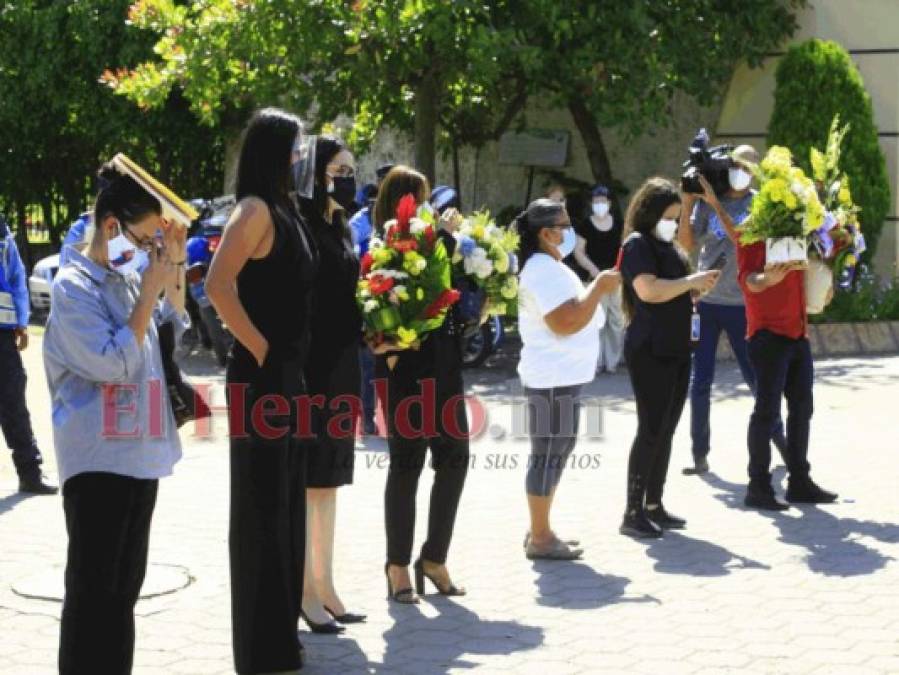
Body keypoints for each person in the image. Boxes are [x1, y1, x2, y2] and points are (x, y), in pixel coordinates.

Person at [43, 163, 186, 673]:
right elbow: (109, 364)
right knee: (91, 595)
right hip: (98, 459)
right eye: (145, 240)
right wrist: (149, 290)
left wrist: (174, 269)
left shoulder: (127, 277)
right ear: (110, 228)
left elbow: (171, 331)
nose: (150, 252)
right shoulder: (73, 286)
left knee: (123, 595)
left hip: (139, 454)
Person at [206, 108, 318, 674]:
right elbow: (216, 285)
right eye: (296, 148)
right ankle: (258, 648)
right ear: (275, 151)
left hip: (289, 378)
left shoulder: (285, 210)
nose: (302, 157)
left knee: (286, 508)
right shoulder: (251, 211)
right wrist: (261, 349)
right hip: (263, 380)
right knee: (259, 511)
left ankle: (281, 637)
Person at [373, 165, 469, 604]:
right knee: (407, 463)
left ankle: (433, 557)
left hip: (446, 364)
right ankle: (396, 565)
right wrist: (389, 351)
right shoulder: (384, 245)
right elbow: (372, 304)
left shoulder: (434, 243)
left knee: (455, 458)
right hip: (406, 366)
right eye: (421, 197)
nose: (428, 207)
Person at [516, 198, 620, 560]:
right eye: (562, 225)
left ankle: (539, 529)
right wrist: (599, 287)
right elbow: (565, 322)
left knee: (557, 449)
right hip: (551, 377)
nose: (568, 230)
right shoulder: (542, 269)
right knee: (548, 453)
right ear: (545, 233)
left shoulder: (549, 265)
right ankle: (541, 537)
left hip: (560, 376)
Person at [618, 177, 721, 538]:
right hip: (650, 350)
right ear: (649, 213)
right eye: (669, 217)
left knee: (666, 429)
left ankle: (653, 503)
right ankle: (632, 511)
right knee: (650, 428)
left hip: (677, 348)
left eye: (677, 218)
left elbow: (674, 289)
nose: (674, 225)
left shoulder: (670, 247)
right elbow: (648, 290)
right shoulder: (637, 245)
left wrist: (695, 290)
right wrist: (691, 282)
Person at [678, 146, 786, 475]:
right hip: (706, 304)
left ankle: (783, 445)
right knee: (700, 380)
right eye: (736, 165)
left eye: (748, 167)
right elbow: (686, 243)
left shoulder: (759, 204)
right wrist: (687, 204)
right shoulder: (712, 198)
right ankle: (699, 454)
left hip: (742, 305)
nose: (741, 172)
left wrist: (712, 203)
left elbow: (743, 239)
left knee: (756, 378)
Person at [296, 135, 365, 634]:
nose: (348, 176)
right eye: (340, 168)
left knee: (330, 482)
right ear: (317, 172)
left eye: (351, 168)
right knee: (308, 482)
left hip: (344, 364)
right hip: (310, 368)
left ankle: (327, 586)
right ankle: (303, 592)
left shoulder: (340, 226)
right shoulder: (300, 225)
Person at [737, 242, 837, 510]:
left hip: (797, 333)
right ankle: (757, 487)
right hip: (767, 334)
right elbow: (748, 280)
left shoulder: (798, 234)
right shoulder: (753, 233)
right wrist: (767, 278)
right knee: (766, 413)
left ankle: (799, 482)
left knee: (802, 409)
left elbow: (817, 262)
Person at [0, 214, 56, 494]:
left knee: (14, 405)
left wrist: (21, 322)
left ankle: (30, 474)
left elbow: (15, 276)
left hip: (2, 337)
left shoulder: (1, 231)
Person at [350, 162, 395, 435]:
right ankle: (367, 417)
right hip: (370, 299)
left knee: (395, 363)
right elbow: (353, 259)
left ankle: (394, 417)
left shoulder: (409, 218)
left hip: (399, 300)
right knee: (368, 364)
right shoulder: (359, 222)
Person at [570, 184, 626, 373]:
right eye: (596, 201)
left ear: (609, 203)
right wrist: (594, 271)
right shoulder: (585, 225)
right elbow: (579, 252)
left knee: (616, 320)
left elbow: (624, 249)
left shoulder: (618, 224)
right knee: (596, 321)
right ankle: (595, 361)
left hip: (616, 278)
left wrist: (618, 272)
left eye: (603, 201)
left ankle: (612, 362)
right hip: (594, 279)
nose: (599, 204)